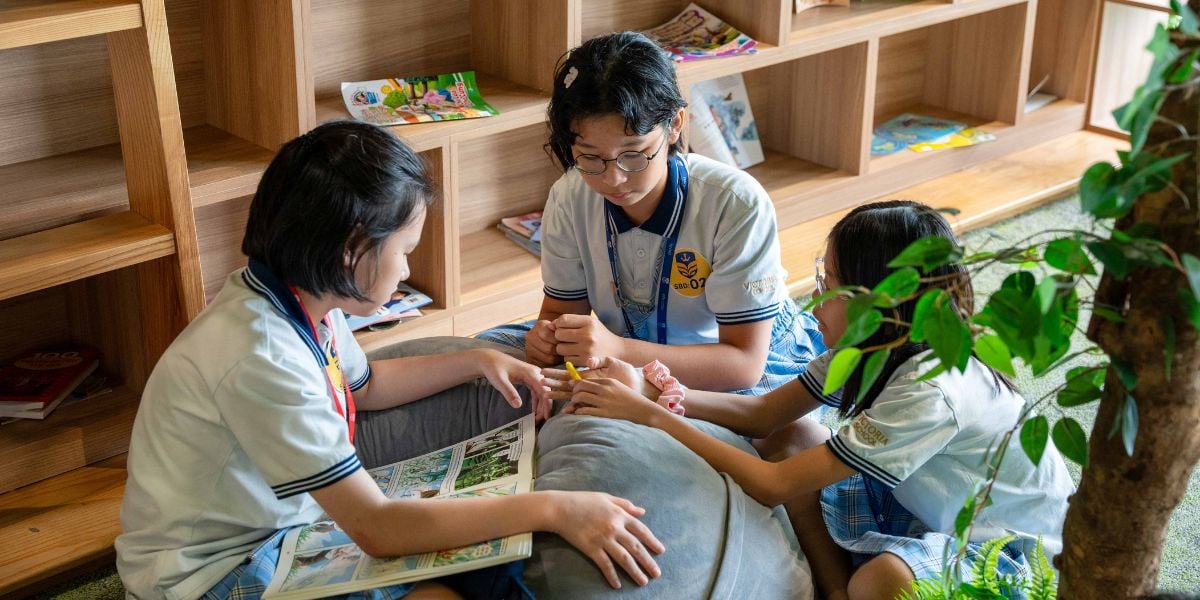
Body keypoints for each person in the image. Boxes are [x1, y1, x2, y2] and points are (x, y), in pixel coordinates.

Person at [115, 121, 662, 600]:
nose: (405, 271)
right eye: (403, 251)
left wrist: (477, 359)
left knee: (488, 570)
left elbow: (365, 386)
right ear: (352, 248)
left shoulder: (299, 302)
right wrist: (555, 507)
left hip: (289, 526)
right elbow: (376, 528)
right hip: (206, 574)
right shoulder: (259, 355)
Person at [546, 200, 1074, 600]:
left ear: (877, 301)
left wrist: (650, 416)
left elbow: (773, 487)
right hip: (931, 505)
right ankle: (833, 589)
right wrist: (651, 390)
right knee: (793, 436)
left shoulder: (932, 390)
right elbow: (762, 413)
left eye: (829, 283)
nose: (813, 299)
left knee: (883, 579)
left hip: (1011, 553)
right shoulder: (870, 344)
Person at [476, 31, 823, 400]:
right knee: (483, 359)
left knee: (772, 437)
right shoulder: (569, 196)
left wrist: (620, 352)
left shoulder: (734, 202)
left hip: (735, 356)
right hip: (623, 347)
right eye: (590, 157)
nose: (614, 178)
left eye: (634, 153)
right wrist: (547, 337)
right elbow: (562, 311)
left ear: (675, 124)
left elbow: (743, 364)